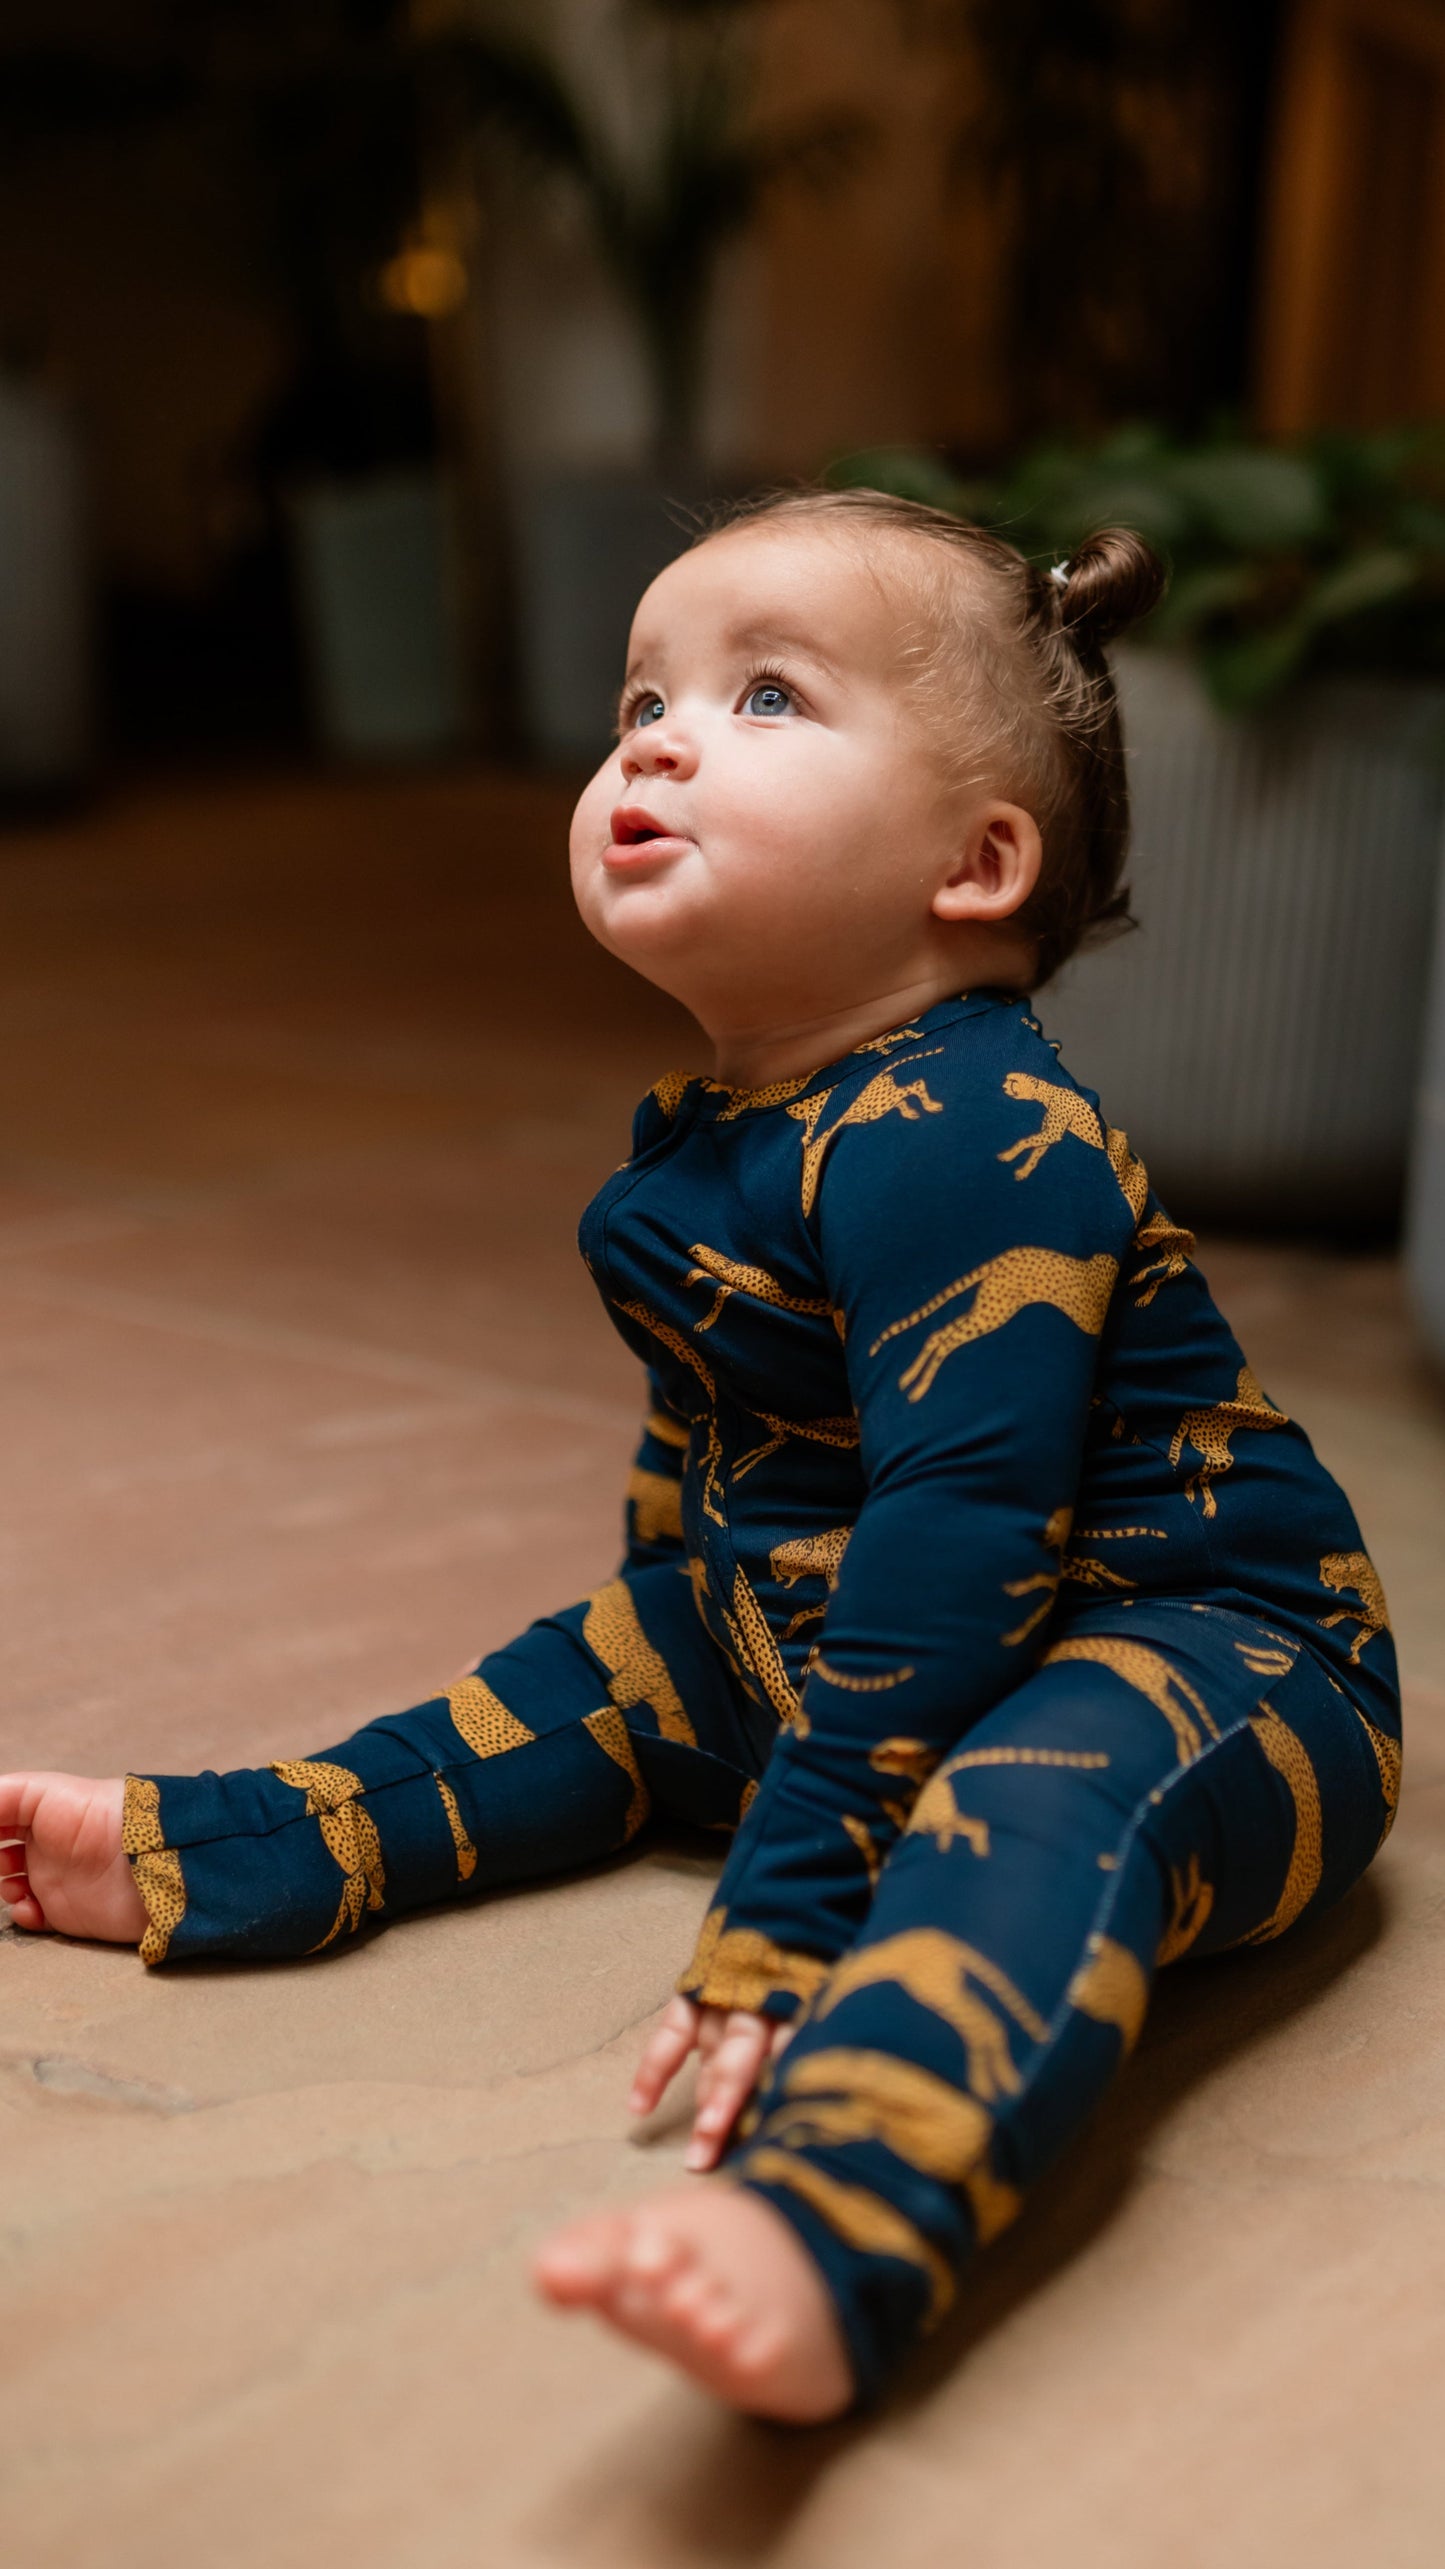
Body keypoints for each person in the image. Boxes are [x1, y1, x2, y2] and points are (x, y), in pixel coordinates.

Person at [0, 491, 1401, 2424]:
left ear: (976, 863)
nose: (654, 743)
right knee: (586, 1667)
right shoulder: (719, 1134)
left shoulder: (971, 1132)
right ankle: (227, 1844)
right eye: (640, 699)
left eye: (764, 698)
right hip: (840, 1615)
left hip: (1201, 1647)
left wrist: (795, 1896)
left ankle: (834, 2224)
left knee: (1033, 1803)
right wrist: (656, 1658)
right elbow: (707, 1464)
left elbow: (963, 1535)